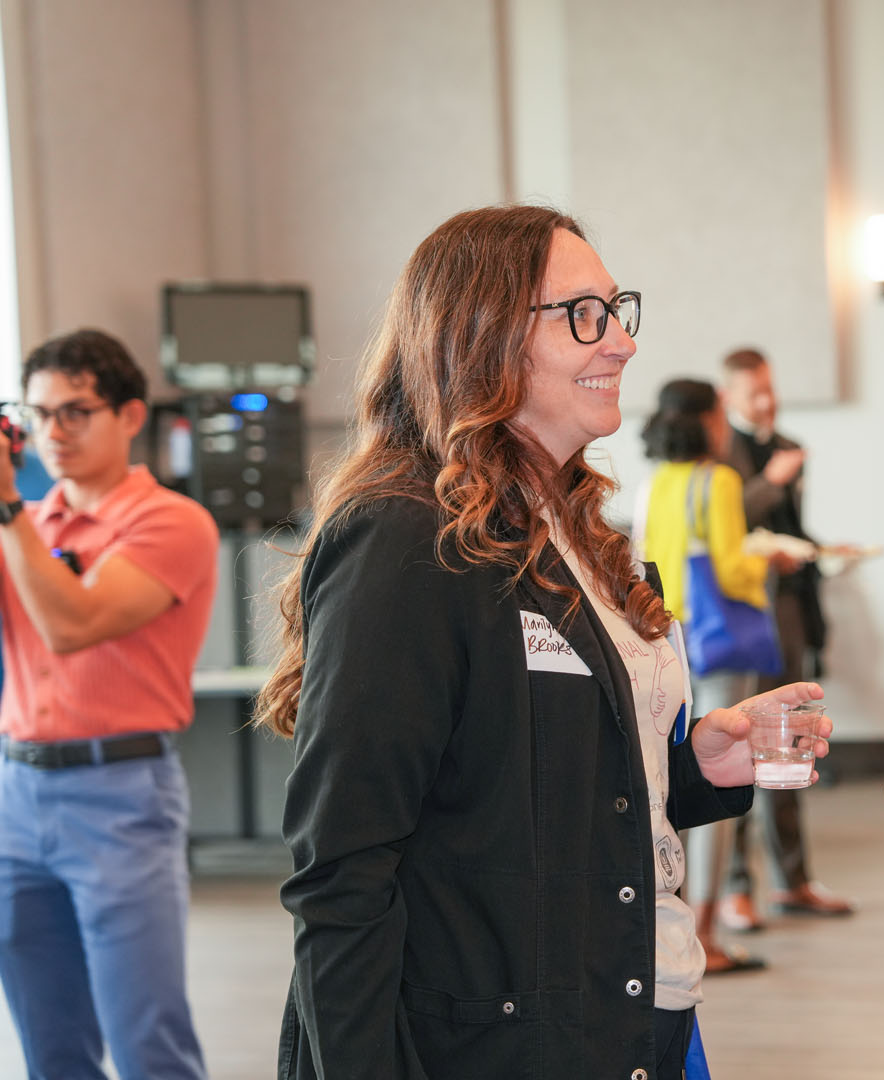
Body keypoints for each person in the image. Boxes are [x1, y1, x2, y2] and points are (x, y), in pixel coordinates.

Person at [257, 207, 830, 1079]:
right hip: (497, 1043)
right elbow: (342, 864)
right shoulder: (407, 538)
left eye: (617, 310)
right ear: (482, 336)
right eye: (582, 315)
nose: (622, 344)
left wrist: (693, 768)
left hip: (638, 1008)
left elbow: (537, 787)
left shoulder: (567, 525)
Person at [0, 329, 218, 1080]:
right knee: (51, 1048)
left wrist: (9, 514)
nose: (50, 434)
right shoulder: (26, 526)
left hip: (120, 798)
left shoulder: (172, 522)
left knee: (146, 1041)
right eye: (36, 416)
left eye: (73, 412)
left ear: (129, 415)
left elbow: (74, 624)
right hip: (16, 798)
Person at [635, 376, 800, 974]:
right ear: (710, 421)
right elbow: (732, 571)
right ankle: (707, 931)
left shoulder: (656, 482)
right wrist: (769, 565)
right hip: (722, 644)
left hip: (665, 640)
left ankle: (680, 923)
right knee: (719, 779)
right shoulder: (721, 480)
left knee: (670, 781)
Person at [713, 347, 854, 932]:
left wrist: (823, 552)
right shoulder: (721, 451)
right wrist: (771, 483)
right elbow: (732, 521)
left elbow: (789, 532)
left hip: (789, 605)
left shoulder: (788, 446)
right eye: (754, 394)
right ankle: (736, 888)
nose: (766, 403)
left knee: (792, 739)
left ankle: (792, 880)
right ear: (729, 398)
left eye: (769, 390)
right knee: (747, 736)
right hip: (745, 611)